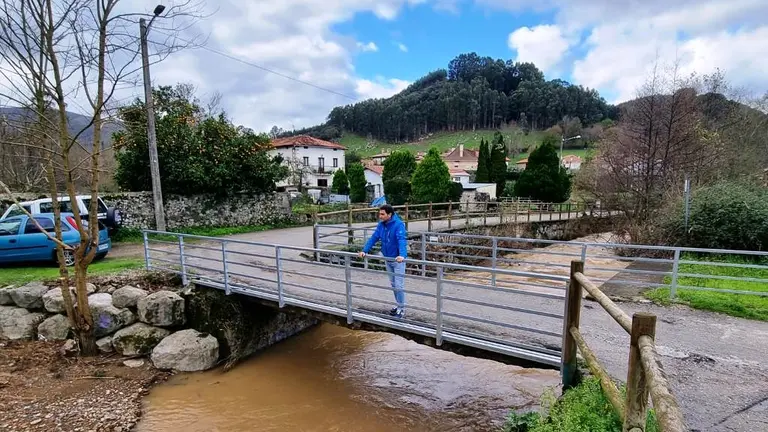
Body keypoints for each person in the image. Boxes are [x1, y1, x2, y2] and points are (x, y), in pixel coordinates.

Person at [359, 204, 408, 318]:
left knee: (399, 285)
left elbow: (401, 240)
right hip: (388, 259)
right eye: (379, 214)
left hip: (398, 260)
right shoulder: (381, 225)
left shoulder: (398, 225)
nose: (380, 216)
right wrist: (364, 250)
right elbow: (374, 238)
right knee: (393, 284)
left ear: (389, 214)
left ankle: (401, 309)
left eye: (382, 214)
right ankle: (399, 305)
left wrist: (402, 255)